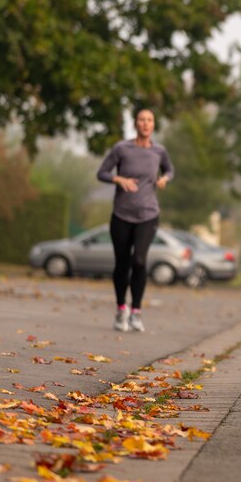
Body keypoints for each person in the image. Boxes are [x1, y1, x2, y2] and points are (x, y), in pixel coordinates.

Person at [96, 108, 174, 333]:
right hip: (121, 214)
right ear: (135, 124)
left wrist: (165, 179)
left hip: (148, 215)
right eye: (142, 119)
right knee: (122, 263)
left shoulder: (159, 151)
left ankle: (136, 312)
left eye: (150, 120)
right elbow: (101, 172)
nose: (146, 123)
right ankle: (122, 309)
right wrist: (119, 179)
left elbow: (170, 169)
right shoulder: (122, 148)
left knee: (139, 260)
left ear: (153, 124)